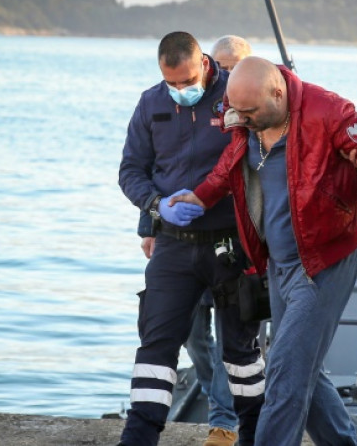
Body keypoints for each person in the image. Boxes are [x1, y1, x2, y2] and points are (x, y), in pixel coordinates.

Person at [171, 56, 357, 446]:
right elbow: (230, 166)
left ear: (277, 92)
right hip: (278, 265)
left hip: (323, 262)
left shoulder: (327, 110)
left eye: (248, 112)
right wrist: (198, 198)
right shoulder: (245, 115)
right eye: (235, 111)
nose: (240, 119)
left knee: (283, 371)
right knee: (303, 372)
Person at [117, 31, 264, 446]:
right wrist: (155, 206)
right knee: (156, 345)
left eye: (186, 81)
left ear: (203, 63)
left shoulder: (234, 95)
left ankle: (251, 436)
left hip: (230, 244)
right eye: (172, 83)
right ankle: (138, 439)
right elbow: (130, 170)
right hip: (174, 244)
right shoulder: (151, 103)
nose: (180, 90)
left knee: (242, 356)